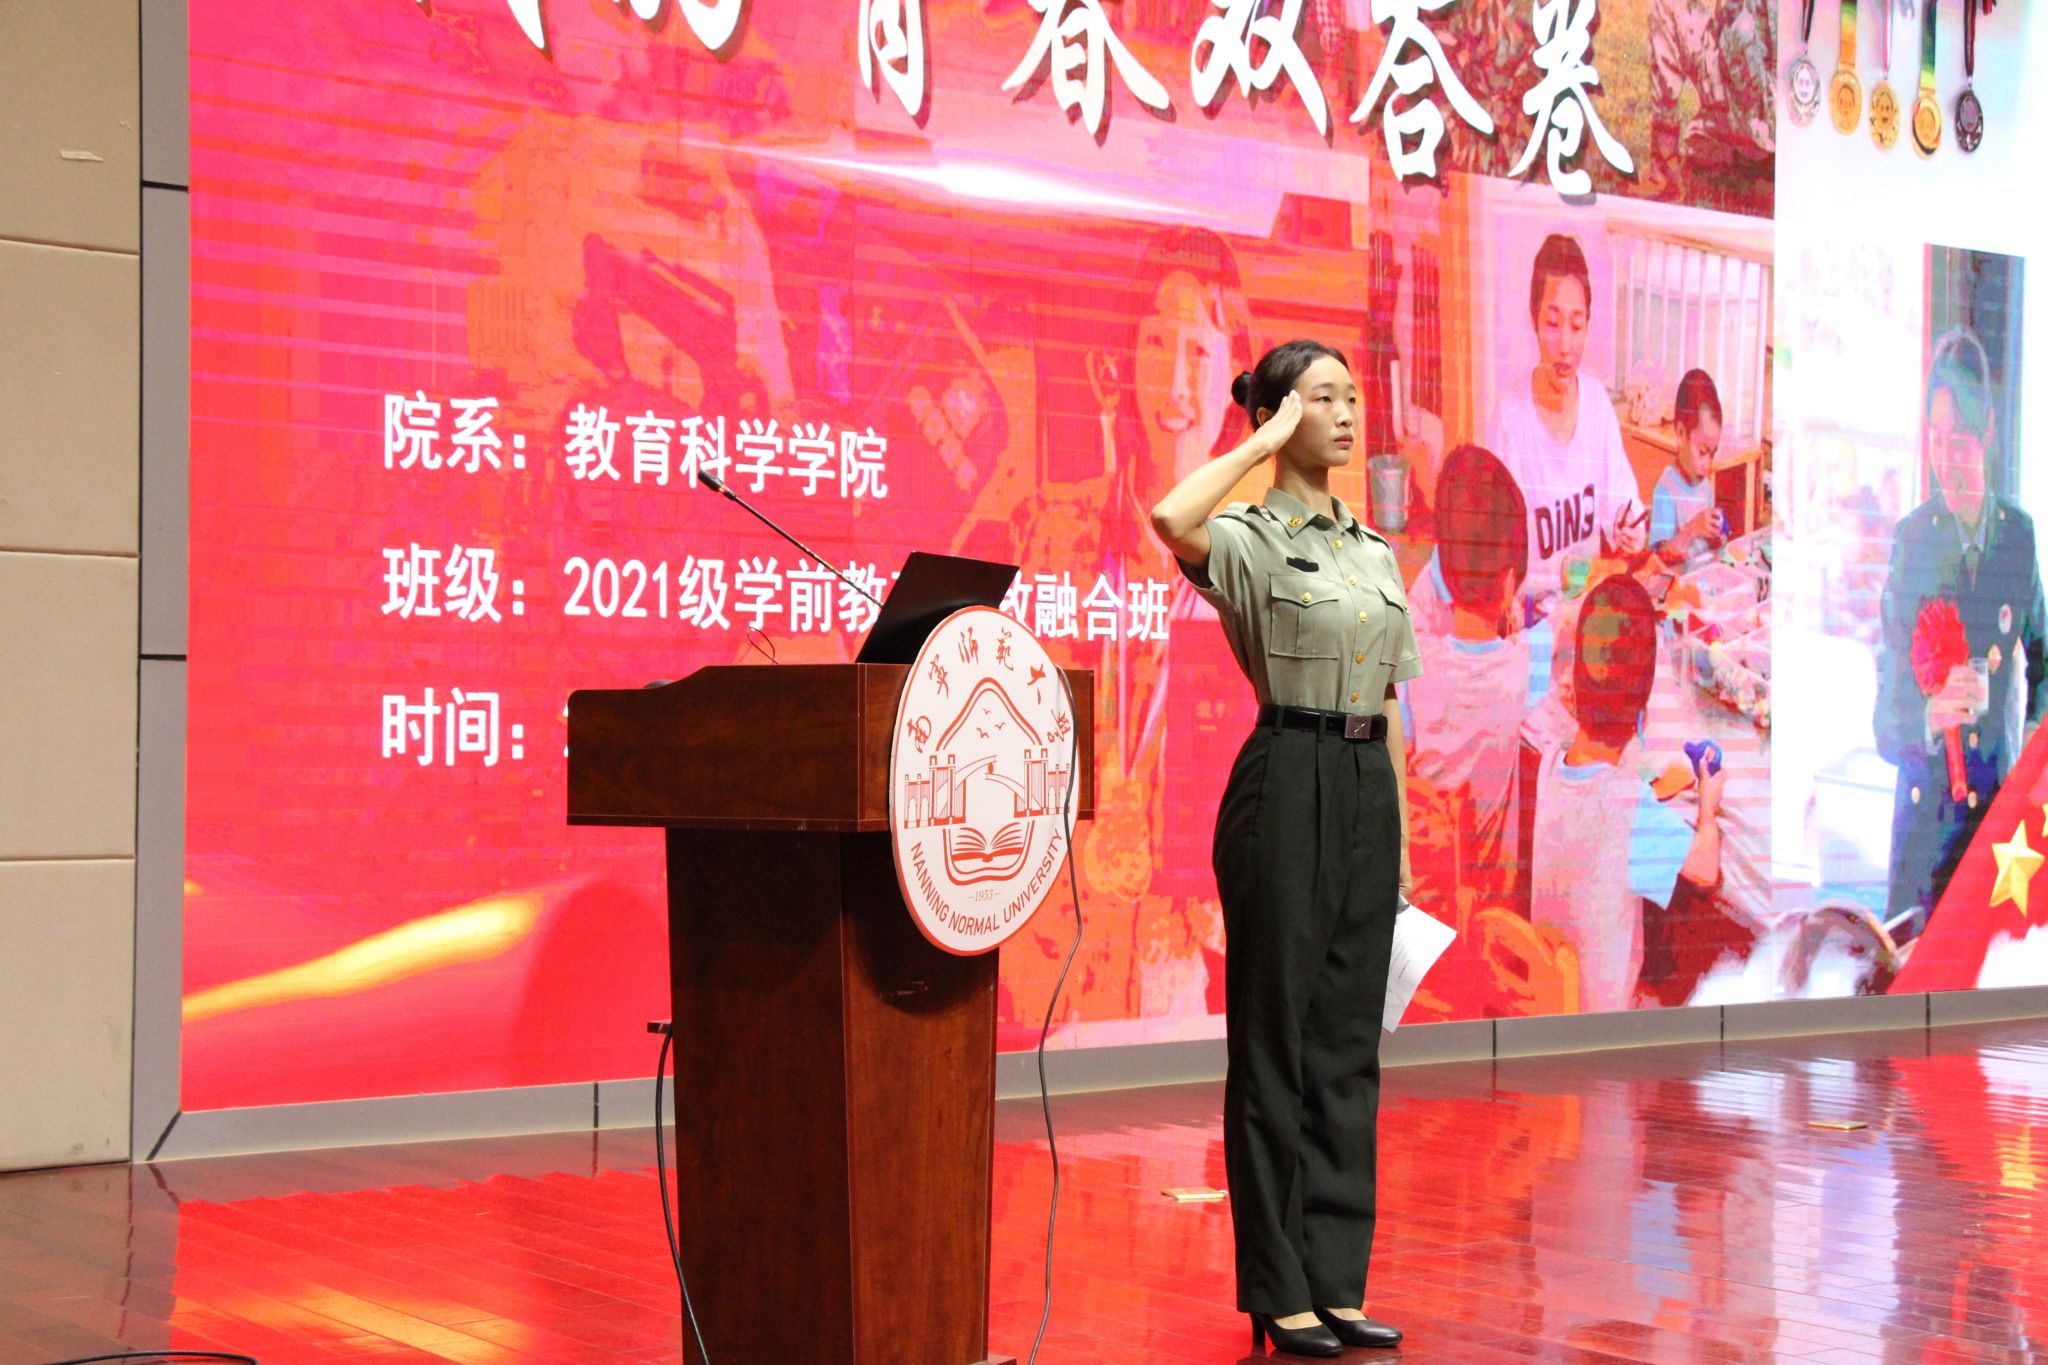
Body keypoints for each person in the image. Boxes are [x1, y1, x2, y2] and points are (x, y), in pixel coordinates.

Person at [1149, 339, 1416, 1357]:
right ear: (1275, 416)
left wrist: (1397, 844)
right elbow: (1170, 518)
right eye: (1320, 399)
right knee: (1274, 1044)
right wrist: (1259, 441)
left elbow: (1388, 704)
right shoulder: (1250, 537)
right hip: (1284, 775)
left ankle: (1336, 1283)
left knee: (1347, 1046)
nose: (1344, 414)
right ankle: (1278, 1287)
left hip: (1362, 784)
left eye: (1350, 396)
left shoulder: (1373, 549)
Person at [1873, 329, 2048, 941]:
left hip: (1995, 838)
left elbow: (2045, 661)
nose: (1945, 463)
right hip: (1924, 839)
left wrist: (2034, 740)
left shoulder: (2017, 536)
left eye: (1961, 442)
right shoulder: (1912, 543)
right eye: (1936, 440)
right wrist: (1929, 716)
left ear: (1990, 432)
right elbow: (1884, 723)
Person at [1529, 574, 1727, 1012]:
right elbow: (1705, 870)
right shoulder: (1629, 804)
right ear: (1643, 711)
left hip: (1542, 996)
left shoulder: (1548, 764)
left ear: (1573, 688)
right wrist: (1708, 806)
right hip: (1601, 1016)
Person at [1408, 444, 1546, 901]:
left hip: (1418, 885)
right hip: (1487, 902)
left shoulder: (1411, 658)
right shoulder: (1522, 666)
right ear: (1508, 582)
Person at [1650, 368, 1726, 563]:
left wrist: (1718, 533)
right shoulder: (1666, 489)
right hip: (1680, 581)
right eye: (1702, 452)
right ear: (1681, 434)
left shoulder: (1704, 486)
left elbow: (1708, 546)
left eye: (1712, 454)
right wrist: (1692, 529)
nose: (1707, 465)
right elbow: (1661, 557)